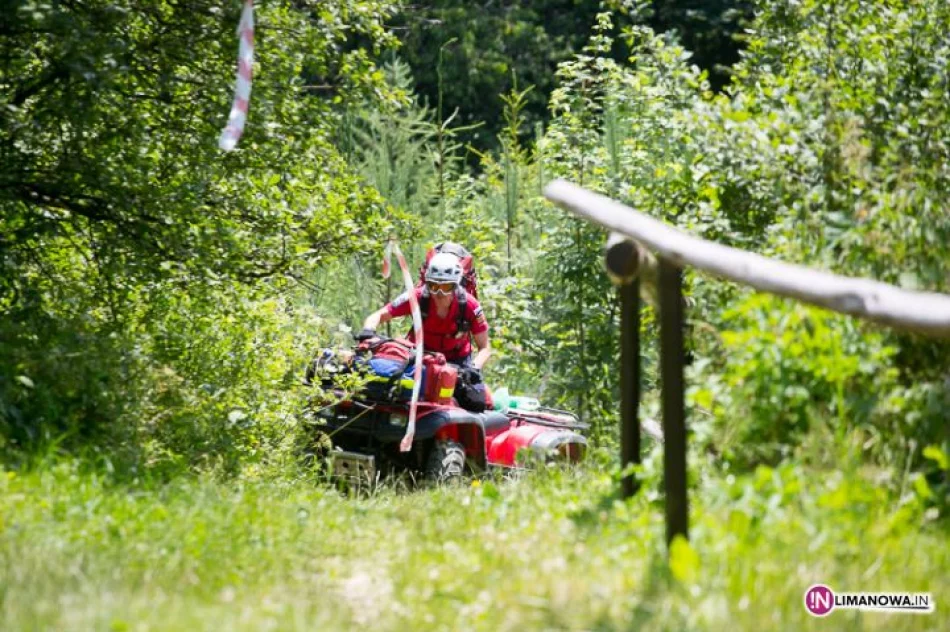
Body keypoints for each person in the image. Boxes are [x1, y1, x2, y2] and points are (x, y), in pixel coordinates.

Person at [359, 252, 492, 409]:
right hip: (418, 356)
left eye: (446, 287)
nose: (439, 293)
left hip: (458, 363)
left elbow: (485, 348)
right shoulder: (417, 297)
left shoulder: (471, 305)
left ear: (456, 285)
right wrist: (368, 331)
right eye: (433, 286)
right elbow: (378, 315)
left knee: (477, 403)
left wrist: (473, 368)